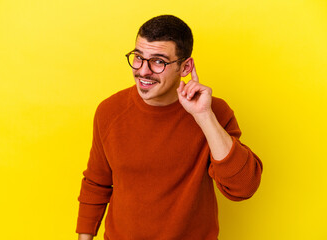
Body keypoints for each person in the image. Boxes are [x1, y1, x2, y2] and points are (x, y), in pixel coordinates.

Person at [76, 15, 262, 240]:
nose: (143, 71)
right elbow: (96, 183)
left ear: (185, 67)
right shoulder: (109, 111)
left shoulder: (215, 112)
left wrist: (204, 116)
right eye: (138, 57)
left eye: (158, 61)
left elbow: (243, 187)